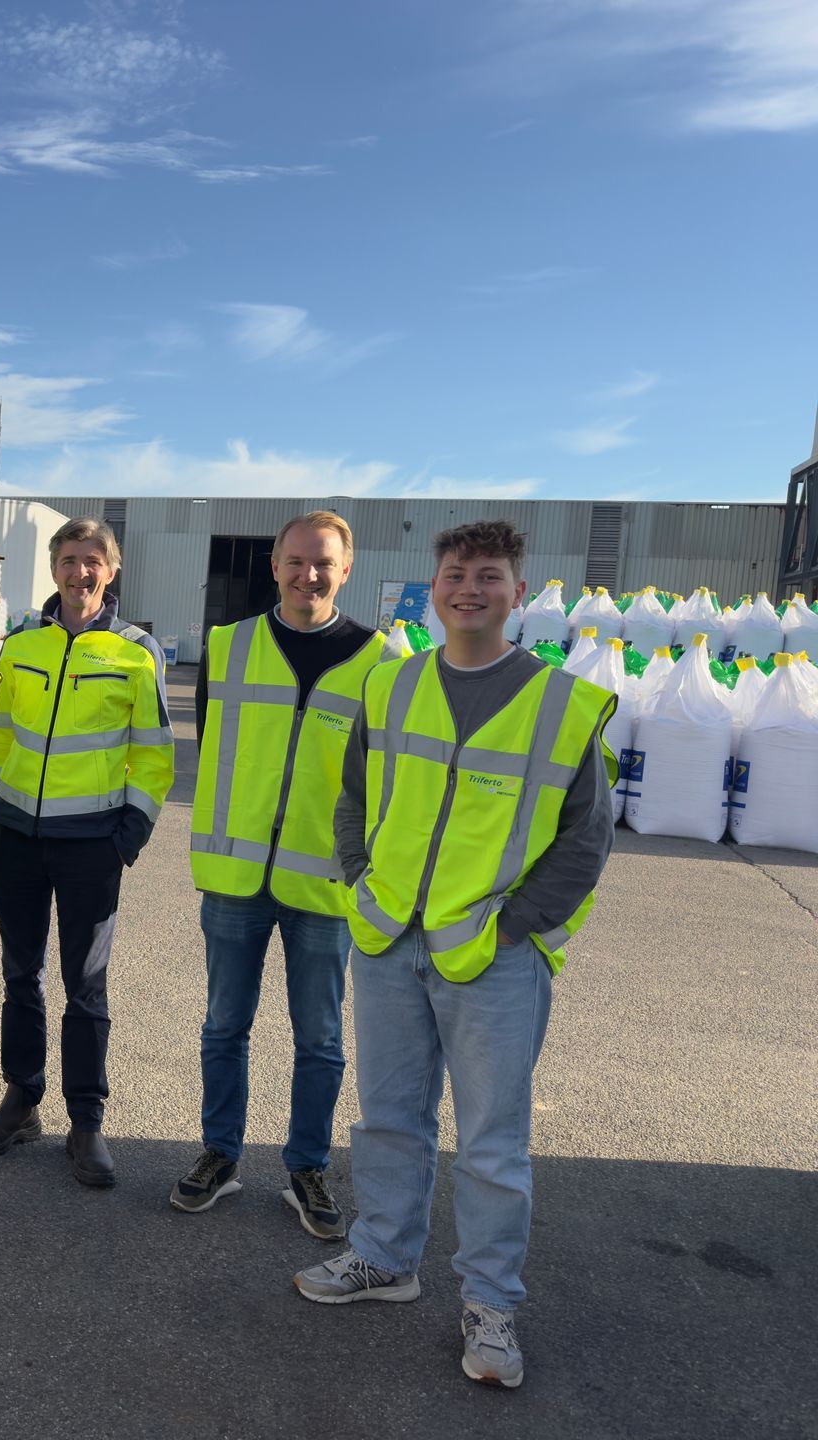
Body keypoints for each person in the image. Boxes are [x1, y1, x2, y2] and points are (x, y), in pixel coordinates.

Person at [292, 520, 616, 1392]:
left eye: (488, 575)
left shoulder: (560, 702)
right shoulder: (393, 688)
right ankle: (383, 1259)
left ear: (519, 588)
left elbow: (587, 839)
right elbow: (354, 796)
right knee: (389, 1118)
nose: (468, 588)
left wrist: (521, 928)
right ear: (431, 587)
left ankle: (491, 1305)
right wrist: (361, 879)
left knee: (492, 1146)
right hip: (391, 936)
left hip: (496, 957)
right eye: (454, 574)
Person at [175, 512, 384, 1238]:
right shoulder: (227, 647)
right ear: (274, 566)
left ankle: (305, 1167)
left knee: (319, 1039)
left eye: (323, 563)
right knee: (224, 1026)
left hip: (323, 884)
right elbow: (210, 744)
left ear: (346, 569)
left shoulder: (380, 661)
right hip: (234, 877)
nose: (309, 575)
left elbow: (381, 778)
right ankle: (220, 1155)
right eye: (296, 562)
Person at [0, 516, 175, 1187]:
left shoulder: (137, 651)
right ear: (53, 568)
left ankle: (86, 1122)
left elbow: (154, 753)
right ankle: (22, 1101)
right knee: (19, 975)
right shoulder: (22, 642)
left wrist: (129, 833)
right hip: (18, 838)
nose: (80, 572)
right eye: (69, 560)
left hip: (92, 846)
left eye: (93, 562)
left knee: (85, 985)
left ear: (111, 572)